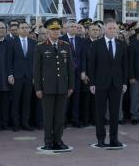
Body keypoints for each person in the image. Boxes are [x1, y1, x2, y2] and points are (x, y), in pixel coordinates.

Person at [33, 18, 74, 150]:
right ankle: (48, 141)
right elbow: (37, 70)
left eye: (57, 29)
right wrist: (38, 88)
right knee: (48, 116)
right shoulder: (40, 47)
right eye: (53, 30)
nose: (55, 32)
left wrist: (71, 86)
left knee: (60, 117)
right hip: (47, 88)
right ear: (47, 31)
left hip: (62, 87)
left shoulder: (65, 45)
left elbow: (70, 68)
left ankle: (58, 140)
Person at [88, 19, 128, 148]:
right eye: (110, 28)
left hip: (116, 84)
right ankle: (100, 139)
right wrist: (92, 83)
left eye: (115, 29)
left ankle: (114, 139)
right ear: (104, 29)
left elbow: (124, 66)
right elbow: (91, 65)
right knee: (100, 112)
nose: (113, 31)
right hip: (100, 83)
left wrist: (124, 82)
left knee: (115, 113)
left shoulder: (121, 44)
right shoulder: (96, 44)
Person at [8, 21, 36, 131]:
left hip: (29, 76)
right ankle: (16, 124)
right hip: (16, 76)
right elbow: (9, 60)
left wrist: (35, 76)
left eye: (27, 28)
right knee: (16, 101)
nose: (25, 29)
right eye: (22, 28)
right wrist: (10, 74)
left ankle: (25, 123)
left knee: (27, 101)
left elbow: (35, 62)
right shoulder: (12, 42)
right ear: (18, 30)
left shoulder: (33, 42)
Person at [60, 20, 84, 127]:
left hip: (77, 73)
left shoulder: (80, 40)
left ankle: (75, 119)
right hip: (65, 74)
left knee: (76, 97)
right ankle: (63, 120)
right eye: (72, 26)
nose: (74, 28)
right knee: (65, 97)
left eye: (76, 26)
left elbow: (83, 57)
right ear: (67, 28)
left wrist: (83, 71)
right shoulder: (61, 40)